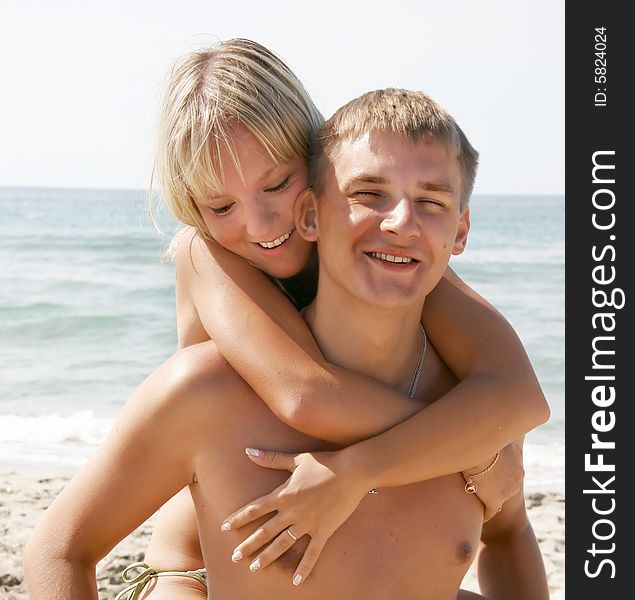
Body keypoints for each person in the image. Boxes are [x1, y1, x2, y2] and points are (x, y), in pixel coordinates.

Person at [24, 86, 549, 600]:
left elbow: (508, 524)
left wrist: (455, 449)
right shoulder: (209, 354)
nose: (400, 223)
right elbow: (304, 394)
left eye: (430, 202)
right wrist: (470, 453)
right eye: (367, 194)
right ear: (314, 214)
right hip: (193, 562)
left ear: (460, 232)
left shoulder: (474, 407)